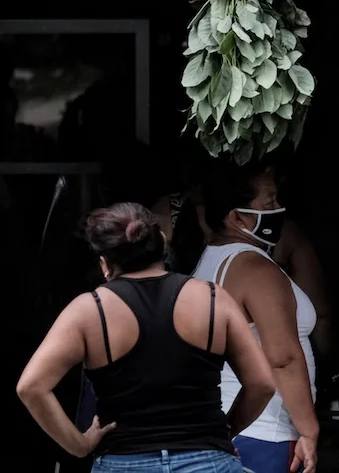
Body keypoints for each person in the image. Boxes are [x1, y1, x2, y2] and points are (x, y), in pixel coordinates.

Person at [16, 202, 274, 472]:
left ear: (104, 263)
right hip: (208, 460)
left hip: (123, 461)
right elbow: (262, 384)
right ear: (162, 243)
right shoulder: (212, 298)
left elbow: (31, 387)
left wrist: (79, 445)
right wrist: (223, 431)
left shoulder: (90, 311)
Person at [193, 162, 319, 473]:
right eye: (270, 202)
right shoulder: (255, 269)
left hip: (226, 426)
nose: (279, 210)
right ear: (236, 217)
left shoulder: (213, 258)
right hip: (263, 432)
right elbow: (283, 358)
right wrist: (308, 430)